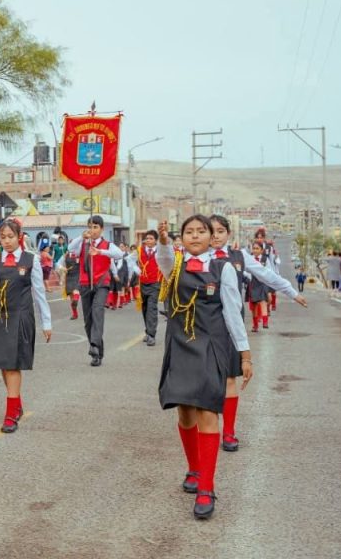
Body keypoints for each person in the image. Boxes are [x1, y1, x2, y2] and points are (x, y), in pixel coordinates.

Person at [155, 217, 252, 520]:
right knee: (184, 412)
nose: (195, 236)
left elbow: (234, 313)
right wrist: (161, 240)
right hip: (180, 344)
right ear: (181, 237)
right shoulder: (175, 265)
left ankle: (206, 488)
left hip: (211, 345)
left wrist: (245, 355)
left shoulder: (223, 269)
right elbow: (163, 257)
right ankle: (194, 468)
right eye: (189, 232)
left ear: (212, 237)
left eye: (201, 231)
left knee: (207, 412)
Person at [210, 214, 306, 453]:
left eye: (220, 231)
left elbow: (267, 275)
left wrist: (291, 292)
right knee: (207, 381)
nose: (215, 235)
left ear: (228, 234)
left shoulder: (239, 256)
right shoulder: (197, 257)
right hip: (202, 326)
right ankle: (207, 430)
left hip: (230, 326)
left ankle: (229, 432)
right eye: (210, 230)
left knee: (230, 379)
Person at [0, 219, 52, 434]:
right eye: (2, 237)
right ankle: (17, 403)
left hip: (21, 317)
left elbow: (39, 293)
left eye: (11, 236)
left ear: (19, 236)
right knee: (4, 364)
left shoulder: (31, 260)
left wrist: (46, 323)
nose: (7, 241)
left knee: (12, 365)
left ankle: (11, 413)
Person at [67, 215, 126, 366]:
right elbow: (70, 248)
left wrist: (100, 252)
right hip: (85, 284)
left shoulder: (107, 245)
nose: (92, 230)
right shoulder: (82, 243)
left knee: (97, 311)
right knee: (88, 320)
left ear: (101, 229)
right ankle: (97, 352)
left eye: (95, 227)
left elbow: (120, 254)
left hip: (101, 284)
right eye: (90, 226)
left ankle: (93, 345)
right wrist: (82, 238)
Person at [137, 230, 162, 346]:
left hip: (155, 283)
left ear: (155, 240)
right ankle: (148, 332)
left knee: (152, 308)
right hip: (143, 283)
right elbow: (129, 260)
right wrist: (137, 270)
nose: (148, 240)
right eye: (147, 238)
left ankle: (152, 335)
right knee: (145, 308)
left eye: (151, 238)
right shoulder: (139, 250)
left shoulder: (160, 251)